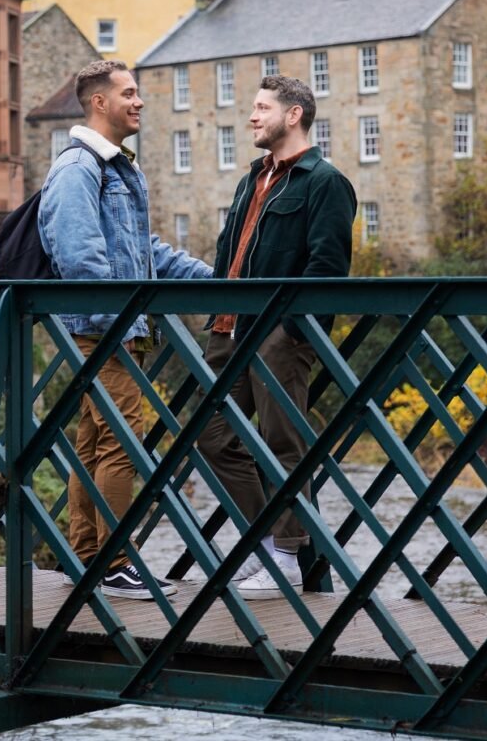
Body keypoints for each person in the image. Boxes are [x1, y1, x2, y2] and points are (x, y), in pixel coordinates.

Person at [38, 60, 211, 599]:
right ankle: (112, 564)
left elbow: (144, 250)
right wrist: (119, 323)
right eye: (129, 94)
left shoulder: (114, 167)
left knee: (94, 443)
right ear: (99, 102)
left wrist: (217, 278)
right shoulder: (79, 168)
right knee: (121, 440)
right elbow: (79, 256)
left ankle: (85, 557)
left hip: (112, 324)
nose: (139, 102)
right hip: (102, 327)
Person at [198, 74, 356, 597]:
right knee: (212, 436)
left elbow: (328, 268)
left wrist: (291, 333)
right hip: (227, 327)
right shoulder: (251, 179)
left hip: (277, 334)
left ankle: (285, 560)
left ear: (294, 115)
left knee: (282, 441)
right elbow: (230, 254)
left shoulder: (323, 181)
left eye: (262, 108)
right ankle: (263, 544)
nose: (251, 116)